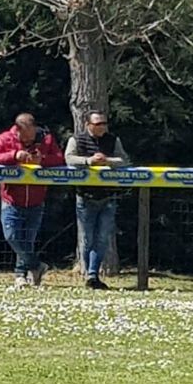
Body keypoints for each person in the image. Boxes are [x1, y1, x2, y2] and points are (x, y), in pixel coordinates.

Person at [0, 112, 64, 288]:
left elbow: (59, 159)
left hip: (36, 200)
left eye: (32, 137)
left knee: (27, 241)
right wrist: (14, 155)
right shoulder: (5, 138)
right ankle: (37, 266)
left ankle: (21, 275)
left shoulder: (47, 139)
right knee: (11, 236)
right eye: (25, 138)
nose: (29, 141)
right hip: (11, 198)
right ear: (18, 130)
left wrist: (42, 159)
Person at [64, 110, 130, 289]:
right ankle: (87, 272)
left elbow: (124, 160)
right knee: (86, 239)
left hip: (108, 197)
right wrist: (89, 161)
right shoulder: (76, 140)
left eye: (104, 123)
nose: (102, 127)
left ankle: (93, 275)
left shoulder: (113, 140)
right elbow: (69, 158)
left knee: (102, 239)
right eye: (98, 124)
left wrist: (107, 160)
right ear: (88, 125)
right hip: (85, 197)